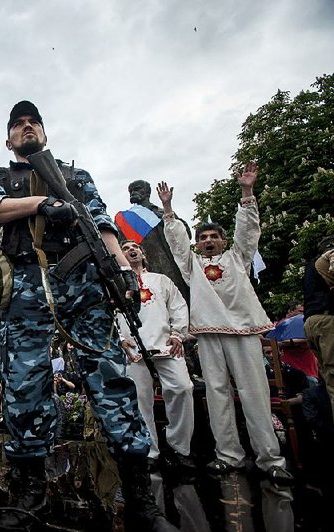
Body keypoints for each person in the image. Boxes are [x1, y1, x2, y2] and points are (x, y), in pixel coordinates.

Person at [0, 100, 173, 530]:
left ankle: (140, 497)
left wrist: (120, 270)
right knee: (25, 383)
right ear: (8, 139)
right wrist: (40, 204)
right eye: (18, 125)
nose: (27, 128)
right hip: (26, 283)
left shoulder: (76, 176)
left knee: (110, 377)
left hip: (83, 279)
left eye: (34, 123)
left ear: (45, 133)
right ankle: (31, 492)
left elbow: (102, 222)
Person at [157, 166, 293, 486]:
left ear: (222, 240)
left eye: (213, 236)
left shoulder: (237, 259)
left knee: (254, 394)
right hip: (208, 334)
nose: (207, 241)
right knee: (217, 395)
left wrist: (247, 193)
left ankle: (270, 459)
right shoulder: (191, 266)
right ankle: (228, 456)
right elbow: (178, 243)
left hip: (244, 331)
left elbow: (247, 232)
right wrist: (167, 209)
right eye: (202, 237)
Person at [117, 240, 195, 471]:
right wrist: (119, 339)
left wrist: (178, 334)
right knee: (140, 400)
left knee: (182, 388)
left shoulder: (161, 280)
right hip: (132, 348)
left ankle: (179, 448)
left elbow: (179, 307)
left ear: (142, 253)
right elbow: (108, 312)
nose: (131, 250)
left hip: (165, 344)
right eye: (125, 248)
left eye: (135, 247)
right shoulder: (116, 283)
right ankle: (150, 450)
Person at [304, 235, 334, 423]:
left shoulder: (310, 267)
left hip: (312, 322)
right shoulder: (329, 256)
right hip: (328, 320)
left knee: (329, 380)